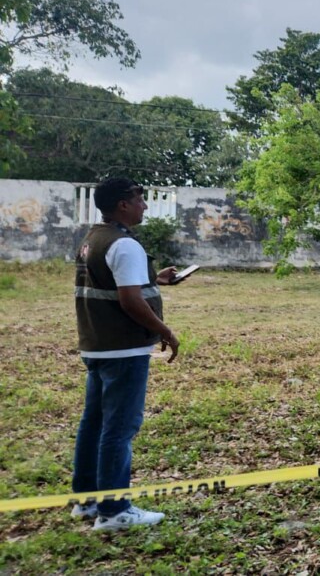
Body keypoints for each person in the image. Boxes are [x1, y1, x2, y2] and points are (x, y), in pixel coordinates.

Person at [71, 177, 183, 530]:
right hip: (124, 348)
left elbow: (115, 281)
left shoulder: (93, 239)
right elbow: (129, 299)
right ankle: (114, 510)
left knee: (94, 423)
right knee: (119, 429)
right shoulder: (124, 245)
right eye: (139, 199)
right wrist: (164, 331)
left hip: (97, 345)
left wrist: (156, 278)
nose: (144, 205)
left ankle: (87, 500)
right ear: (123, 204)